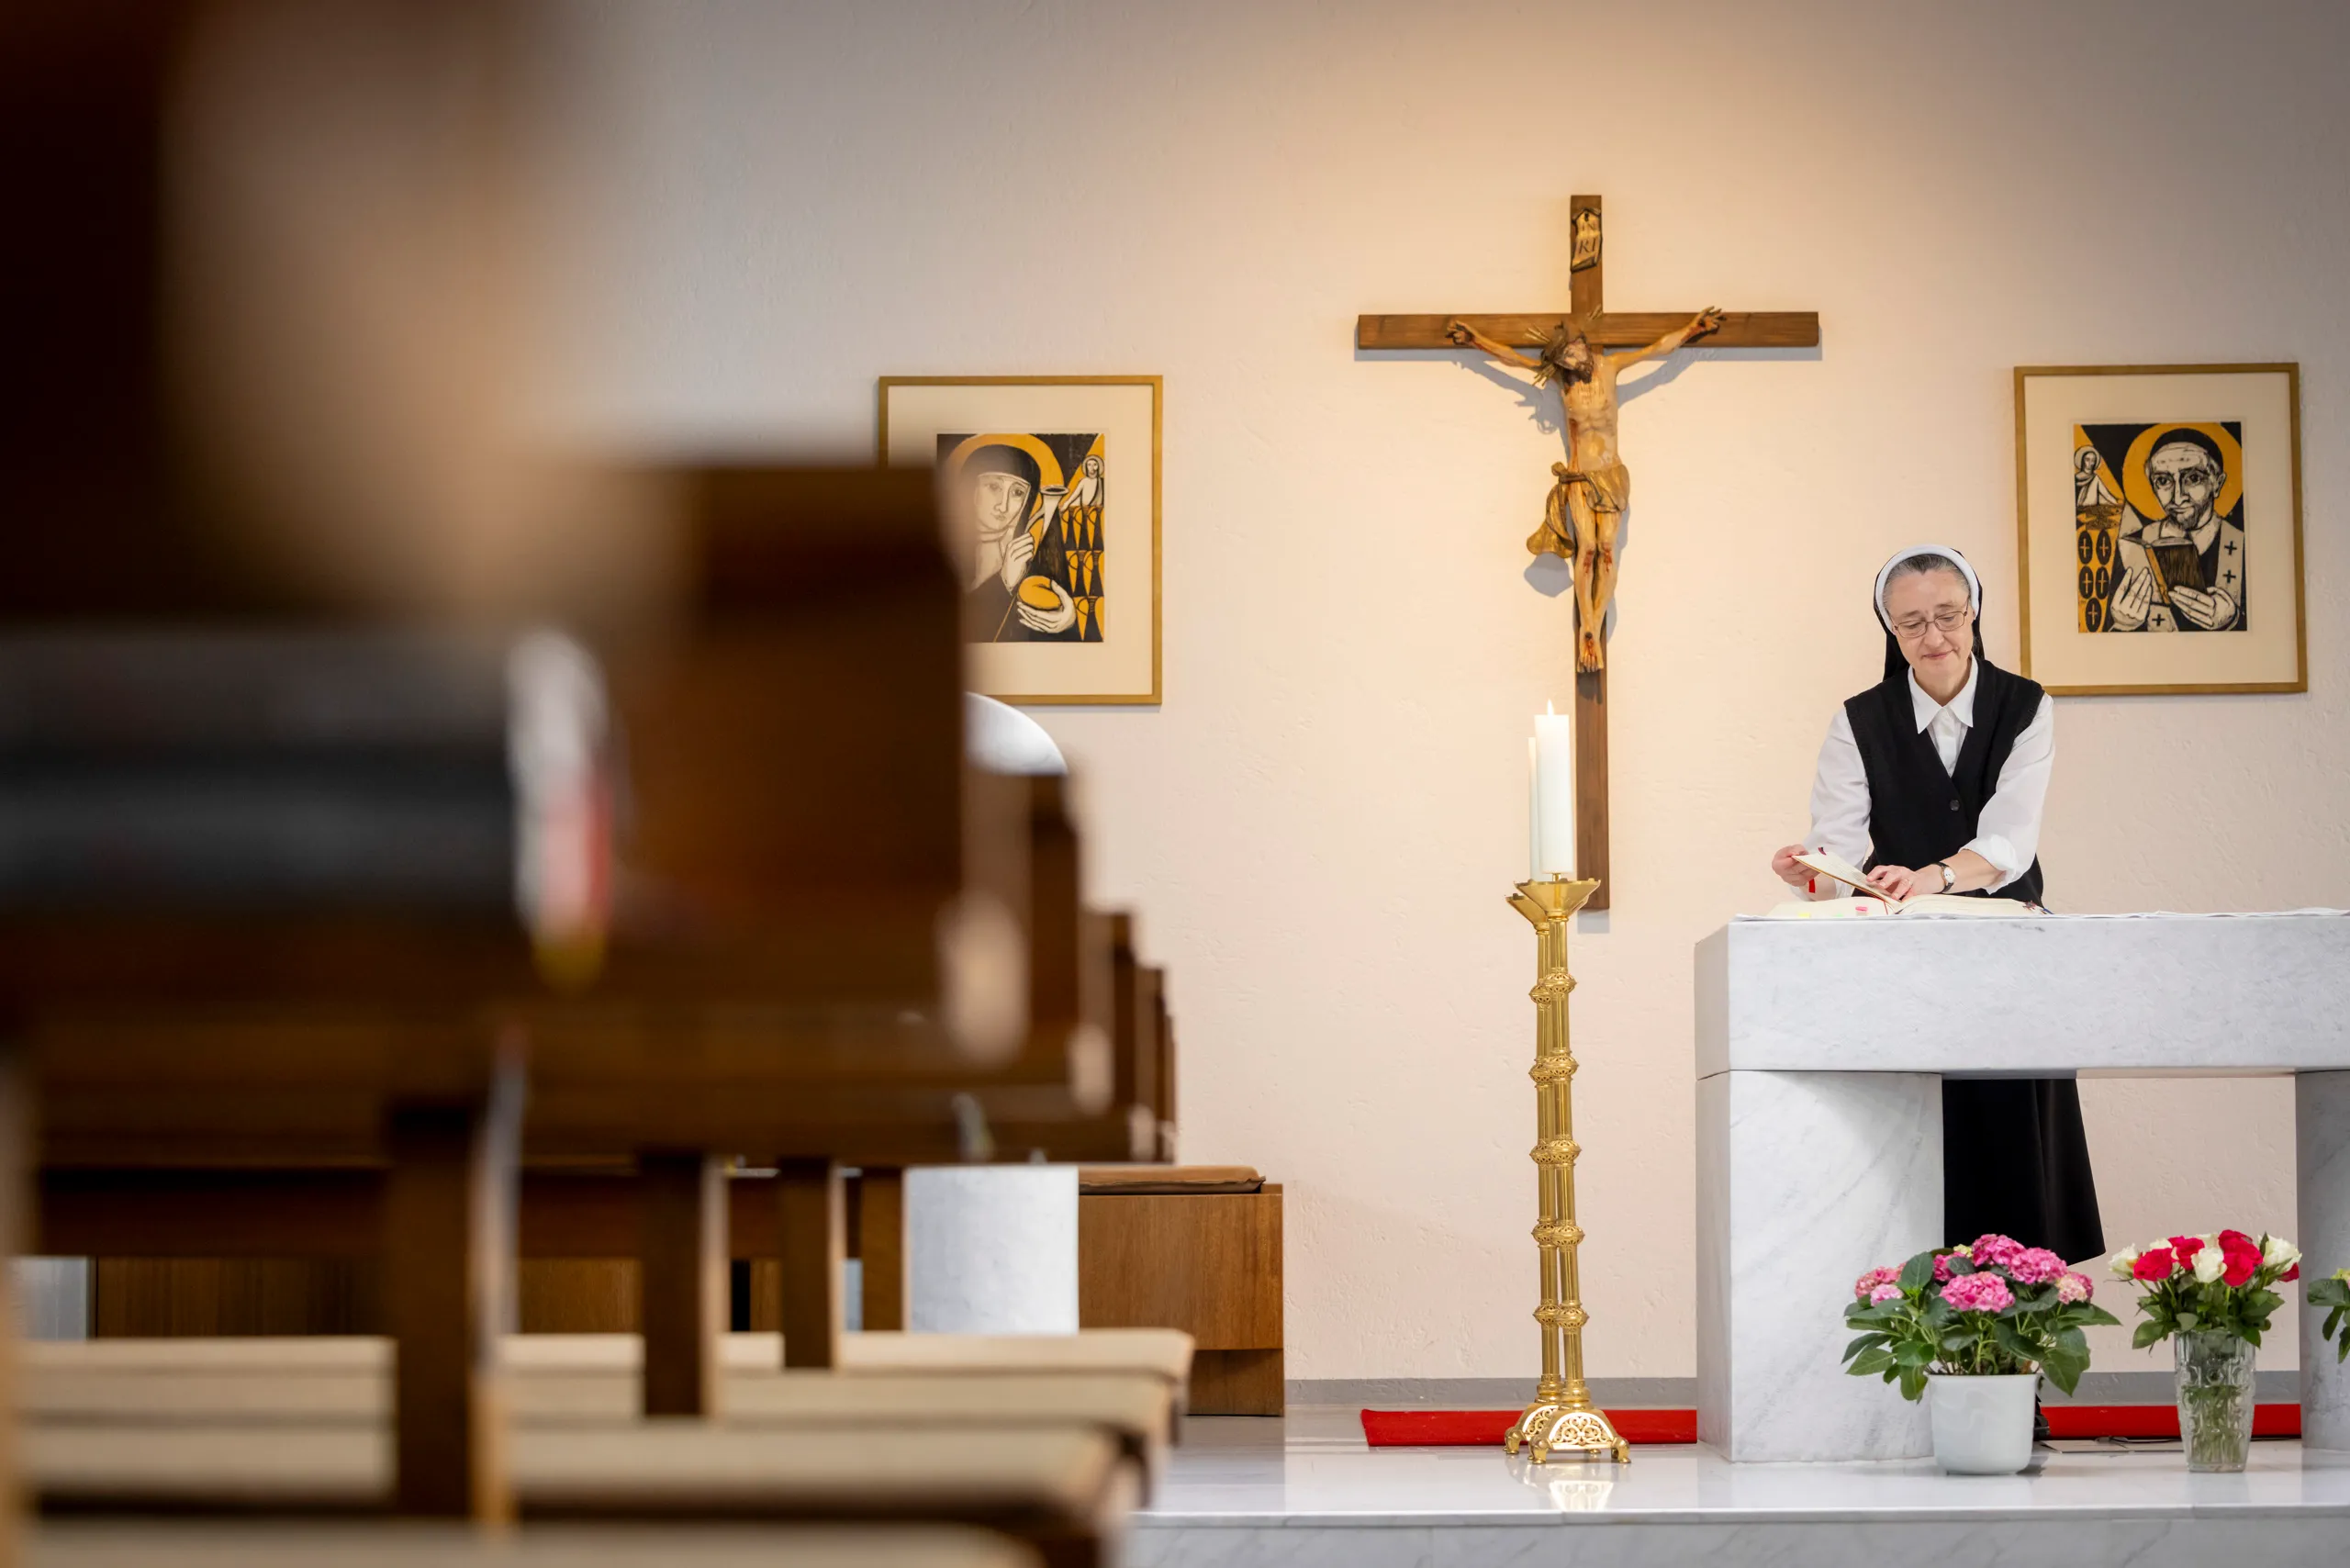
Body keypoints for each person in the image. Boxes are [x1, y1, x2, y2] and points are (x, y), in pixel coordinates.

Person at [1769, 544, 2104, 1267]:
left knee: (2018, 1156)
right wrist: (1811, 873)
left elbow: (2010, 840)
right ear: (1892, 632)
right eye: (1912, 624)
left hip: (2010, 959)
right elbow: (1842, 856)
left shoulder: (2025, 705)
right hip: (1905, 970)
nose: (1934, 638)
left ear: (1974, 612)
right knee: (1921, 1151)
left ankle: (2022, 1359)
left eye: (1948, 616)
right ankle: (1924, 1352)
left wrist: (1935, 876)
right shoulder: (1858, 721)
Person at [2108, 429, 2244, 633]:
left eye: (2194, 478)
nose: (2178, 497)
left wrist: (2232, 620)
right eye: (2163, 481)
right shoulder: (2133, 547)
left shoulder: (2243, 546)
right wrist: (2122, 625)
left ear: (2218, 483)